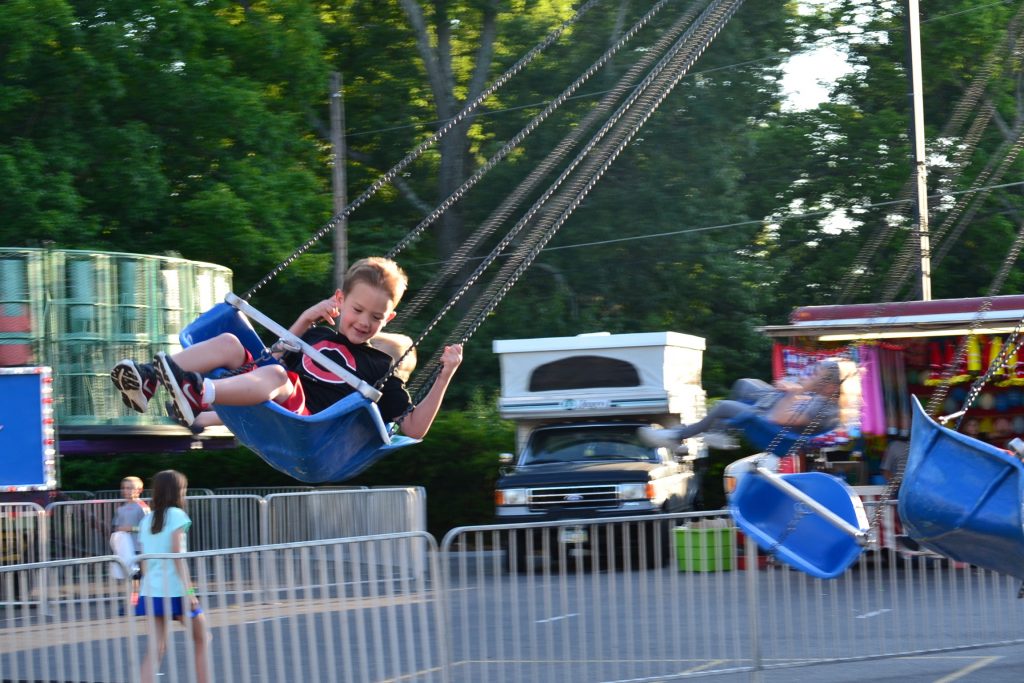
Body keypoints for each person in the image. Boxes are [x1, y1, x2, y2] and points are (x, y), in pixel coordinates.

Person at [110, 257, 463, 439]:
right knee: (232, 343)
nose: (363, 322)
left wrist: (445, 374)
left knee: (281, 376)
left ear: (390, 317)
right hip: (265, 389)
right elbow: (272, 355)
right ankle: (149, 378)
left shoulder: (379, 366)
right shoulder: (314, 336)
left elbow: (414, 428)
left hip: (306, 423)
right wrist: (306, 318)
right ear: (340, 300)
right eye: (357, 310)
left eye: (376, 316)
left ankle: (201, 393)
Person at [639, 358, 860, 450]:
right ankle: (720, 433)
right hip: (775, 410)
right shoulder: (823, 400)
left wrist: (794, 393)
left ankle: (675, 437)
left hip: (772, 426)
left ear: (831, 387)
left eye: (816, 376)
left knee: (724, 407)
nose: (810, 378)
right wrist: (793, 392)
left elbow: (779, 419)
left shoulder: (827, 410)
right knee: (745, 384)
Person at [135, 470, 209, 683]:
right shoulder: (177, 515)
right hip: (175, 590)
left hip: (151, 590)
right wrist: (190, 592)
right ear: (178, 491)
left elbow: (145, 559)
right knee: (202, 638)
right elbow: (178, 556)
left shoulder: (146, 520)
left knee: (156, 648)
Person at [110, 476, 149, 587]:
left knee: (141, 575)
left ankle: (144, 598)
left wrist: (132, 528)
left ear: (139, 490)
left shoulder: (142, 507)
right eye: (124, 488)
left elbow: (148, 527)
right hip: (126, 547)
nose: (126, 491)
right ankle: (134, 600)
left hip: (139, 546)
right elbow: (117, 526)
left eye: (129, 488)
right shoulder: (121, 508)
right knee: (130, 576)